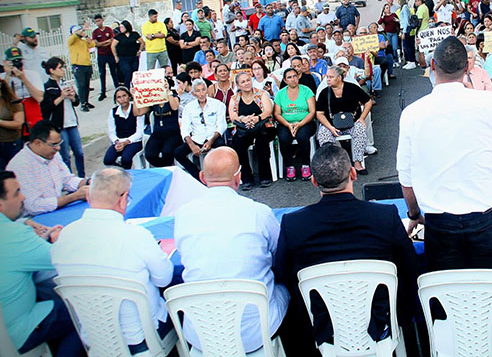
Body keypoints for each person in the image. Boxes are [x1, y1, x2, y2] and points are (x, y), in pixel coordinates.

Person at [274, 143, 419, 354]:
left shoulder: (293, 224)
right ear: (353, 173)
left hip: (322, 325)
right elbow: (411, 266)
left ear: (314, 181)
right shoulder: (385, 216)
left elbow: (282, 274)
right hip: (380, 321)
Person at [398, 37, 492, 271]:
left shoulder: (412, 113)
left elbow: (406, 176)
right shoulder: (488, 102)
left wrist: (413, 214)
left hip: (439, 222)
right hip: (484, 218)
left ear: (432, 66)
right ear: (468, 67)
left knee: (445, 297)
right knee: (491, 292)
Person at [174, 147, 288, 354]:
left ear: (202, 177)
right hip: (255, 332)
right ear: (239, 177)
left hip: (201, 334)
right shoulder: (258, 212)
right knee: (285, 289)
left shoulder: (184, 214)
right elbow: (278, 254)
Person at [50, 167, 174, 354]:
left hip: (95, 338)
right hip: (141, 338)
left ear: (89, 198)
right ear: (124, 199)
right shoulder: (136, 235)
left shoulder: (64, 237)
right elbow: (164, 279)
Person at [0, 170, 83, 356]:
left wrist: (24, 223)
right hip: (20, 329)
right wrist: (59, 238)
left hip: (9, 325)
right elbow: (64, 258)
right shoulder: (14, 236)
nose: (23, 197)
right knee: (84, 310)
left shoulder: (13, 231)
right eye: (17, 193)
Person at [7, 120, 88, 216]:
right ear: (37, 143)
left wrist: (89, 182)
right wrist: (74, 197)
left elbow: (67, 180)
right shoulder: (20, 165)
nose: (58, 148)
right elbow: (33, 206)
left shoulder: (54, 155)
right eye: (54, 145)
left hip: (57, 211)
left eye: (59, 143)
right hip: (33, 219)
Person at [316, 66, 373, 175]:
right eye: (327, 77)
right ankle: (334, 165)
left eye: (331, 77)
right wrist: (330, 127)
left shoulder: (352, 88)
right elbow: (319, 113)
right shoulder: (324, 93)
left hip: (352, 123)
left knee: (360, 129)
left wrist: (362, 118)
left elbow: (368, 101)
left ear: (340, 77)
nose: (328, 79)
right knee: (323, 135)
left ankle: (357, 162)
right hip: (332, 124)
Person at [229, 71, 276, 189]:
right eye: (243, 82)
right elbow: (232, 116)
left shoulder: (261, 94)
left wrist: (256, 118)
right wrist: (243, 119)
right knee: (237, 143)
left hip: (262, 126)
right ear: (238, 85)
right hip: (244, 128)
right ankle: (246, 178)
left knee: (261, 141)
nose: (246, 84)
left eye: (248, 80)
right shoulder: (234, 98)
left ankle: (265, 176)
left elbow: (268, 111)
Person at [174, 79, 228, 181]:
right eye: (198, 91)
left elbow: (222, 126)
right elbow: (185, 128)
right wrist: (191, 144)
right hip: (197, 137)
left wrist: (211, 141)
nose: (201, 93)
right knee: (178, 153)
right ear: (193, 93)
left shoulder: (218, 104)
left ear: (207, 90)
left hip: (213, 136)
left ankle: (221, 175)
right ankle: (198, 176)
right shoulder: (189, 107)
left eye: (203, 90)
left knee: (224, 149)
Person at [40, 57, 84, 177]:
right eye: (60, 68)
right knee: (65, 155)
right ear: (52, 70)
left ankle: (82, 177)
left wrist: (73, 97)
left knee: (79, 152)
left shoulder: (66, 83)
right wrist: (61, 97)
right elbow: (46, 107)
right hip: (60, 125)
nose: (63, 70)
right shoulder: (48, 87)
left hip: (72, 122)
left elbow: (76, 102)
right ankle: (68, 179)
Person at [273, 68, 317, 182]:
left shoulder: (306, 90)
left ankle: (305, 166)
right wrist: (288, 125)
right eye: (289, 77)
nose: (293, 79)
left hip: (305, 122)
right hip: (286, 123)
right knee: (283, 138)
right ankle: (289, 167)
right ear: (285, 80)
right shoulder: (281, 94)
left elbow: (312, 112)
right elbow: (277, 114)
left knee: (302, 136)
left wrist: (300, 124)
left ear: (298, 77)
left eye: (294, 76)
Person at [136, 77, 182, 168]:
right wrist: (135, 96)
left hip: (172, 133)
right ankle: (165, 167)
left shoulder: (173, 96)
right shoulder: (154, 100)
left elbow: (175, 107)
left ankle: (168, 169)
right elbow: (138, 112)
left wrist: (168, 91)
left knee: (167, 152)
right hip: (158, 133)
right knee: (149, 154)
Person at [103, 86, 144, 169]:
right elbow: (111, 131)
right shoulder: (113, 112)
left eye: (124, 96)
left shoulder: (136, 109)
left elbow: (139, 132)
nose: (122, 99)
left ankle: (126, 175)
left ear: (129, 96)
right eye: (119, 97)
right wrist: (117, 141)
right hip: (119, 141)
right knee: (108, 160)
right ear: (116, 100)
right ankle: (122, 173)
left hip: (134, 141)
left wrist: (126, 142)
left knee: (126, 158)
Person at [67, 23, 96, 111]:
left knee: (86, 85)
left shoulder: (83, 41)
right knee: (81, 85)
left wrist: (86, 36)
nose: (81, 32)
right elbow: (73, 38)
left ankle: (86, 101)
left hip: (87, 65)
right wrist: (80, 31)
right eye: (79, 31)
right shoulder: (72, 41)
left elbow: (92, 44)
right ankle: (83, 103)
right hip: (78, 66)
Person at [91, 14, 118, 101]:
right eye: (96, 22)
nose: (98, 23)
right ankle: (103, 92)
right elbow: (96, 44)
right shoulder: (95, 32)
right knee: (102, 73)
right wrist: (105, 42)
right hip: (101, 55)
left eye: (99, 21)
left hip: (109, 53)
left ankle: (117, 89)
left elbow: (112, 41)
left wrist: (102, 43)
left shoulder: (108, 29)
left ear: (102, 20)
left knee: (114, 72)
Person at [112, 20, 144, 88]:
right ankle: (127, 89)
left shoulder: (134, 34)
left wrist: (139, 50)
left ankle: (135, 89)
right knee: (127, 73)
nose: (121, 29)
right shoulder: (119, 36)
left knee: (134, 73)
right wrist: (115, 56)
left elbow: (142, 42)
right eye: (120, 27)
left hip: (134, 57)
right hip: (123, 58)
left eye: (122, 27)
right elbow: (113, 46)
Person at [0, 78, 23, 170]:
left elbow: (19, 123)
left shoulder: (13, 101)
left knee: (14, 170)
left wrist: (0, 122)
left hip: (12, 142)